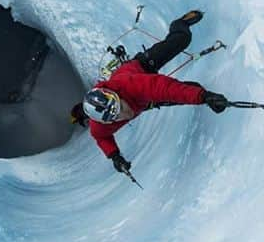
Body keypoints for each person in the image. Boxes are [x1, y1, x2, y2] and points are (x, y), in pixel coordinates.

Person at [69, 10, 229, 175]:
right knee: (193, 86)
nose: (125, 114)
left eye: (120, 107)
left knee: (182, 40)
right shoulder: (100, 125)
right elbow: (102, 137)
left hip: (142, 66)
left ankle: (179, 24)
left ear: (117, 97)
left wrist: (204, 97)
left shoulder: (132, 86)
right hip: (144, 102)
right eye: (116, 117)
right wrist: (114, 155)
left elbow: (167, 89)